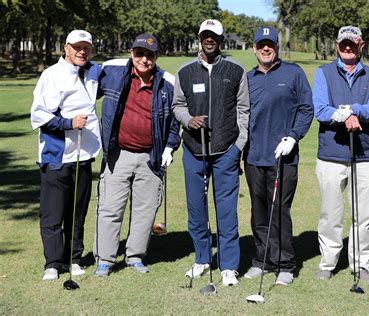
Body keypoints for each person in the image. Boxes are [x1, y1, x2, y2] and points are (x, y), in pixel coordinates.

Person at [93, 33, 180, 276]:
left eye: (150, 55)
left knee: (145, 210)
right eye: (140, 53)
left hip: (150, 158)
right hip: (118, 155)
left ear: (157, 57)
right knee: (110, 208)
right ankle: (105, 260)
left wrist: (170, 148)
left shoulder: (167, 84)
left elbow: (174, 122)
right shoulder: (112, 73)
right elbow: (85, 89)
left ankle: (134, 257)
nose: (144, 59)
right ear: (132, 53)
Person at [173, 19, 249, 286]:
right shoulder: (184, 71)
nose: (209, 39)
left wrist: (238, 146)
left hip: (226, 149)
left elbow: (244, 111)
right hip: (194, 149)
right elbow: (177, 106)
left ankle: (229, 266)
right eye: (205, 35)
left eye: (213, 36)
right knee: (196, 209)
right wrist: (187, 119)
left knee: (226, 211)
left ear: (220, 39)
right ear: (199, 38)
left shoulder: (236, 70)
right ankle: (202, 259)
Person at [243, 27, 314, 285]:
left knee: (279, 210)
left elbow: (307, 109)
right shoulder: (247, 78)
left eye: (269, 44)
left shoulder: (293, 73)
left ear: (276, 47)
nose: (265, 49)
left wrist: (294, 136)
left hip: (284, 157)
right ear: (254, 48)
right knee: (259, 212)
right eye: (261, 44)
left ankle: (285, 264)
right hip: (253, 156)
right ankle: (262, 260)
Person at [312, 25, 369, 282]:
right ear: (337, 45)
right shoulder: (324, 73)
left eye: (352, 43)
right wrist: (346, 116)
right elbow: (320, 110)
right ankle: (328, 263)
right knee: (330, 213)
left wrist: (352, 110)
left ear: (361, 45)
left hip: (364, 154)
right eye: (343, 43)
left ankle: (360, 264)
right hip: (331, 153)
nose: (348, 47)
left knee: (364, 214)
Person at [31, 30, 101, 281]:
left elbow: (121, 67)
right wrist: (69, 123)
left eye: (86, 47)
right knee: (53, 212)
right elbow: (39, 115)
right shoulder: (51, 75)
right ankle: (53, 262)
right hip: (56, 154)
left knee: (77, 211)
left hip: (83, 154)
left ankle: (74, 258)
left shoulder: (93, 71)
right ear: (66, 48)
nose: (82, 51)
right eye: (77, 47)